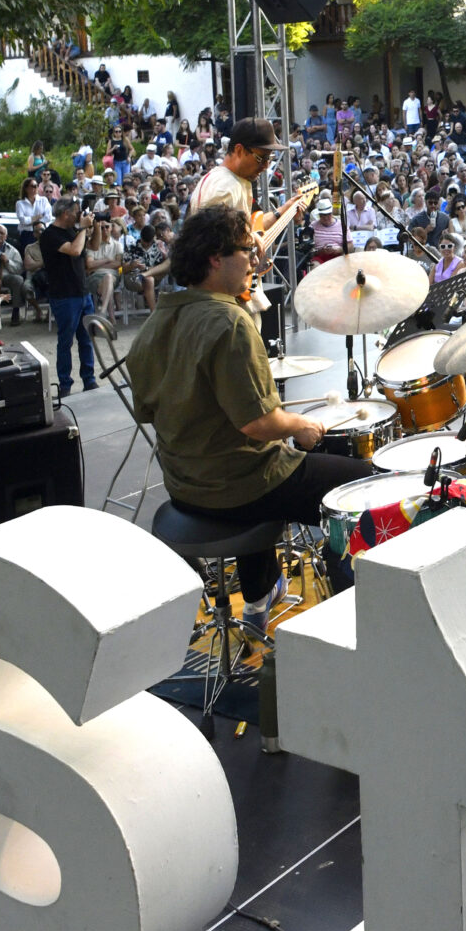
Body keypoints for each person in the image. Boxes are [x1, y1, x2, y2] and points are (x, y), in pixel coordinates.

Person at [123, 205, 378, 640]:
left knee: (262, 464)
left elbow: (148, 410)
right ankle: (355, 623)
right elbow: (260, 424)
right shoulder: (228, 321)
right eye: (248, 250)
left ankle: (260, 599)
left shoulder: (156, 323)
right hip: (236, 488)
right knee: (363, 489)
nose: (257, 260)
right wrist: (299, 424)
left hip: (185, 484)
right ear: (214, 258)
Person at [41, 198, 98, 398]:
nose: (78, 215)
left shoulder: (73, 231)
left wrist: (95, 225)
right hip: (64, 295)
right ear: (65, 213)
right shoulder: (50, 235)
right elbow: (74, 250)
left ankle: (89, 380)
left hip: (82, 292)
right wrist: (83, 229)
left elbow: (94, 246)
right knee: (66, 341)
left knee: (86, 339)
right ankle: (65, 384)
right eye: (75, 212)